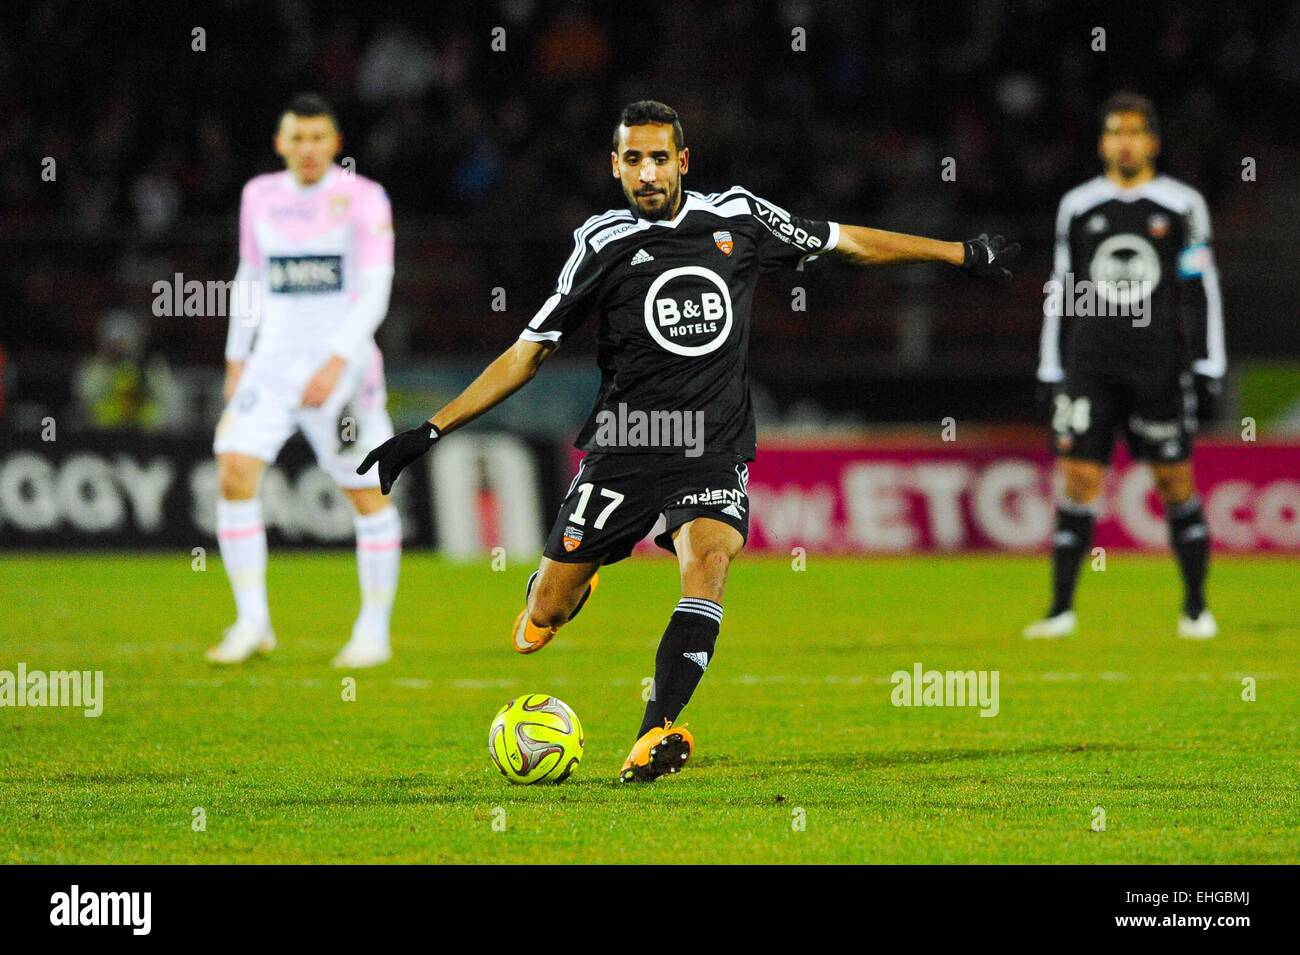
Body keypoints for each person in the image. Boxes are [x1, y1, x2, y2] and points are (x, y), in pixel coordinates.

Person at [358, 100, 1019, 780]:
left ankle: (654, 733)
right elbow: (528, 352)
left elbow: (844, 241)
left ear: (683, 161)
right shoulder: (602, 244)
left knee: (709, 561)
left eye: (659, 157)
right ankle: (554, 595)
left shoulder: (738, 217)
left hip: (712, 440)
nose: (647, 172)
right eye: (633, 159)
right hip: (626, 442)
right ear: (615, 166)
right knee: (544, 612)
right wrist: (429, 430)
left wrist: (959, 252)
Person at [208, 94, 401, 669]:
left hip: (343, 371)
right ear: (280, 143)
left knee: (366, 493)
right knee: (235, 472)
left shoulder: (364, 199)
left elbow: (375, 286)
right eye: (297, 137)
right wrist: (236, 357)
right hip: (271, 364)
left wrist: (338, 363)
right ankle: (252, 623)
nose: (308, 148)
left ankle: (372, 630)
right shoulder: (259, 196)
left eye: (319, 137)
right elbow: (249, 276)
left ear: (335, 143)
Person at [1025, 92, 1225, 641]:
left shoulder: (1182, 204)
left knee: (1174, 479)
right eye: (1115, 131)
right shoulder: (1079, 205)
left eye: (1136, 131)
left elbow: (1201, 288)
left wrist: (1208, 365)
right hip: (1089, 362)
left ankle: (1195, 607)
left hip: (1156, 364)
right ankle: (1060, 610)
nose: (1126, 141)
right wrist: (1050, 367)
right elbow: (1061, 289)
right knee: (1080, 478)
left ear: (1153, 141)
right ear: (1102, 141)